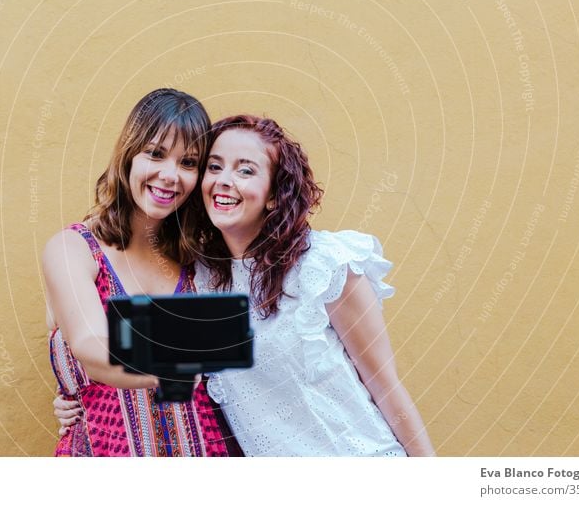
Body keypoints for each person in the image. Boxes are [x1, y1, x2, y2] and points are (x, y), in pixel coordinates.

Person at [55, 113, 434, 457]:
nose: (224, 181)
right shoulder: (197, 276)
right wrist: (75, 394)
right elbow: (110, 339)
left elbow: (386, 386)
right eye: (214, 167)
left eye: (246, 170)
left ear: (273, 195)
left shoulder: (323, 265)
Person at [43, 88, 237, 457]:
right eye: (156, 154)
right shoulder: (73, 250)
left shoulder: (203, 263)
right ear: (129, 154)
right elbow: (91, 345)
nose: (170, 175)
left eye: (189, 162)